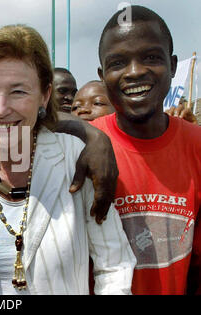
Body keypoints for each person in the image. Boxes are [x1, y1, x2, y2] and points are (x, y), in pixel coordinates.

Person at [0, 24, 136, 295]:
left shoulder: (76, 159)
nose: (0, 108)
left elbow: (114, 265)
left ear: (44, 95)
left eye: (18, 92)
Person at [93, 5, 201, 294]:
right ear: (102, 75)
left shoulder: (197, 145)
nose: (135, 72)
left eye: (151, 58)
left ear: (173, 65)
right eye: (118, 63)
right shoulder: (81, 146)